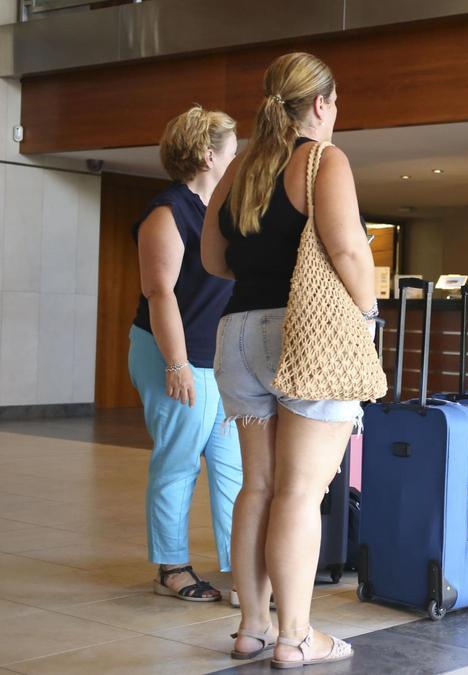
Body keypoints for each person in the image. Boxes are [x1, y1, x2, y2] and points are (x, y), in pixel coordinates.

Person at [202, 52, 372, 668]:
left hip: (236, 335)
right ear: (322, 104)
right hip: (302, 334)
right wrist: (369, 317)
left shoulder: (239, 168)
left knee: (259, 486)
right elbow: (350, 252)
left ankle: (251, 627)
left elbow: (215, 261)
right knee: (301, 492)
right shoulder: (322, 160)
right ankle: (296, 638)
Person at [128, 105, 241, 604]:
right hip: (170, 352)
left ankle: (246, 570)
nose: (237, 154)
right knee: (178, 462)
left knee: (232, 466)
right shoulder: (167, 212)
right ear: (207, 152)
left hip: (213, 358)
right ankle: (171, 566)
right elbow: (160, 293)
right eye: (232, 146)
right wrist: (176, 365)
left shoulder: (219, 208)